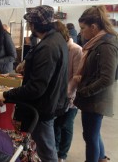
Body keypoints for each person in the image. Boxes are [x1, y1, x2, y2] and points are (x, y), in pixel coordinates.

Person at [0, 5, 68, 162]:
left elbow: (36, 88)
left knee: (47, 151)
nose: (28, 26)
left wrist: (6, 95)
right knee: (46, 147)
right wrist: (29, 62)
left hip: (42, 108)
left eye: (29, 23)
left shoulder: (48, 47)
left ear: (34, 25)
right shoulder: (55, 39)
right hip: (50, 103)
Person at [73, 6, 118, 162]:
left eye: (83, 28)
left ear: (94, 27)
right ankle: (101, 158)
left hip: (95, 99)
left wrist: (84, 91)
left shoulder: (106, 45)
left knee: (90, 136)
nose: (81, 32)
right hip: (93, 98)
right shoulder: (97, 43)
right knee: (93, 133)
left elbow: (107, 78)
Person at [53, 21, 82, 162]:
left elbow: (76, 76)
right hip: (57, 96)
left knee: (66, 126)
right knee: (56, 124)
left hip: (70, 97)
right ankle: (56, 151)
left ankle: (62, 154)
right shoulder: (57, 48)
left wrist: (67, 93)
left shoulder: (76, 50)